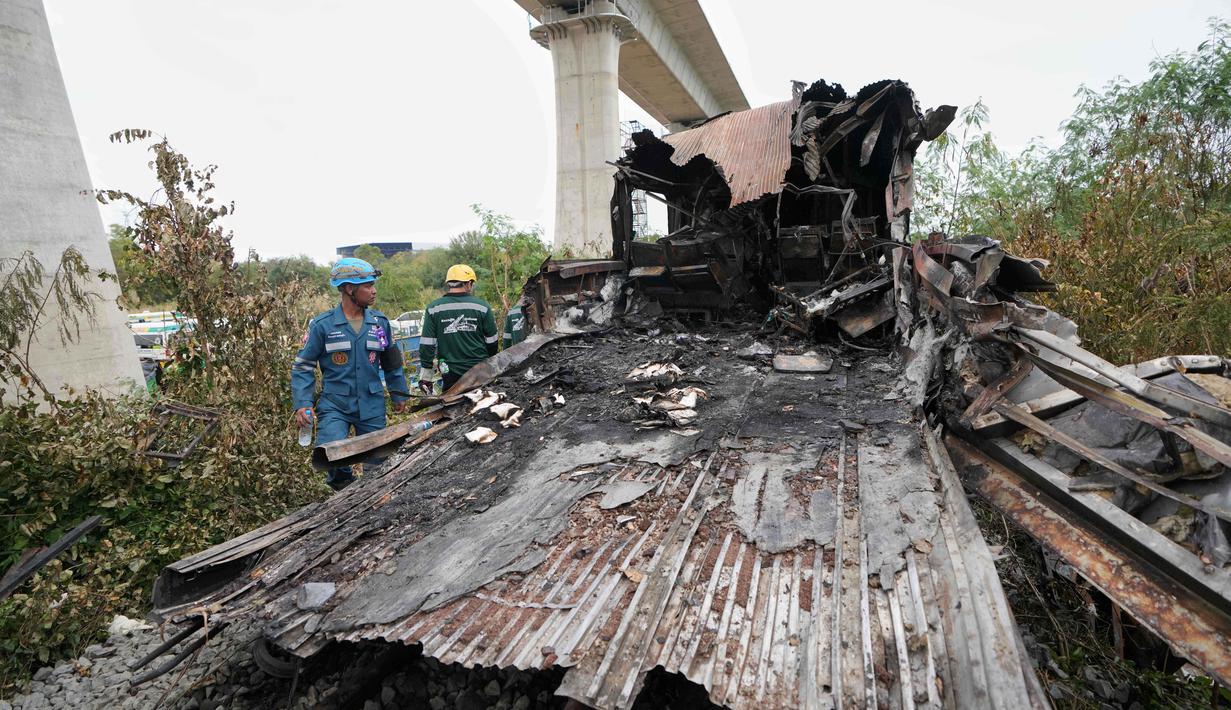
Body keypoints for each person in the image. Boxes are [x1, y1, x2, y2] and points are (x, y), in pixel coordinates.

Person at [292, 258, 409, 490]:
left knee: (379, 466)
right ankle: (346, 490)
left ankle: (373, 497)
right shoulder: (322, 325)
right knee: (330, 453)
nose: (374, 291)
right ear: (349, 289)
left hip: (372, 404)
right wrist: (302, 403)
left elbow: (392, 363)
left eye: (373, 285)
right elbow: (304, 366)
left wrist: (399, 394)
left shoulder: (379, 324)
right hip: (335, 405)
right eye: (368, 286)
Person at [418, 264, 498, 393]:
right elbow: (492, 342)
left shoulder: (434, 308)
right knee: (483, 401)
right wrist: (488, 363)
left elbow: (427, 345)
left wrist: (426, 376)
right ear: (468, 284)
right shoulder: (482, 307)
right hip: (479, 370)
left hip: (449, 372)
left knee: (452, 401)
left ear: (449, 283)